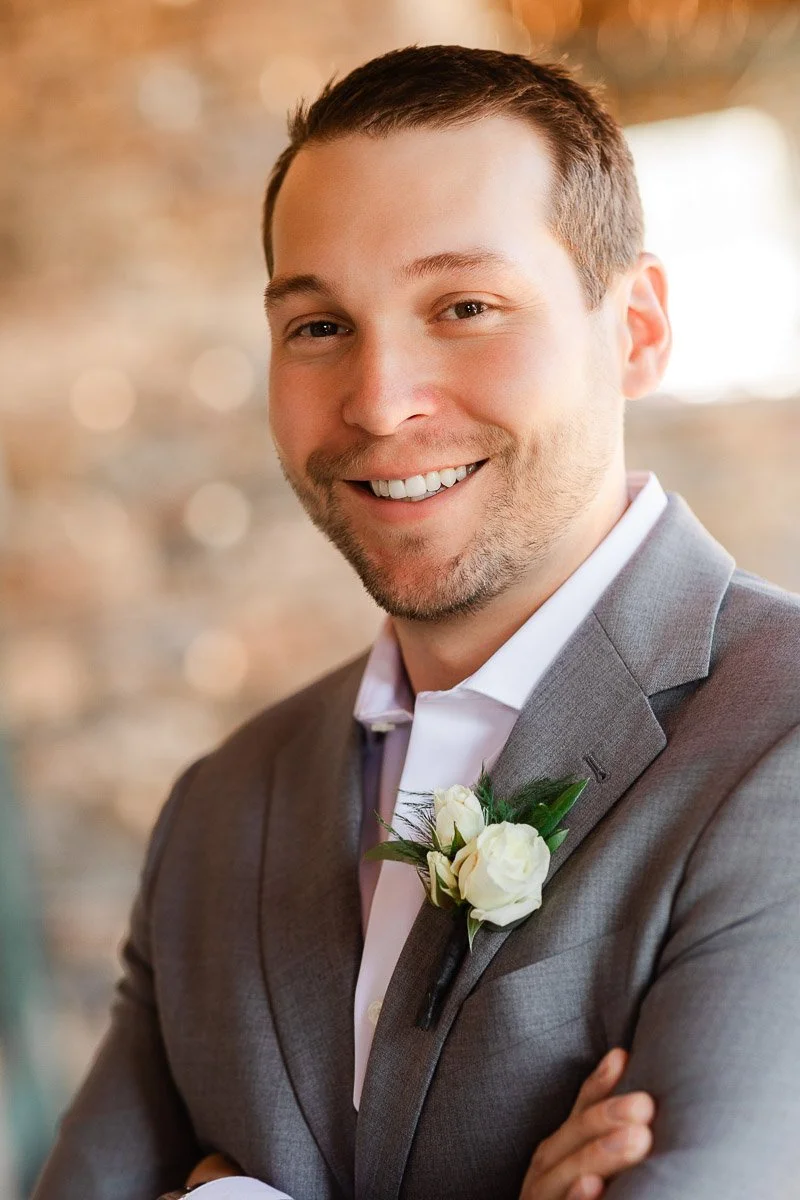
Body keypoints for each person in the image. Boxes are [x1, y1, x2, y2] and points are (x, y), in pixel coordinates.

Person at [33, 44, 800, 1200]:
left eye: (464, 307)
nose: (380, 401)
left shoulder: (779, 739)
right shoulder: (217, 808)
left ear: (634, 327)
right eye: (318, 327)